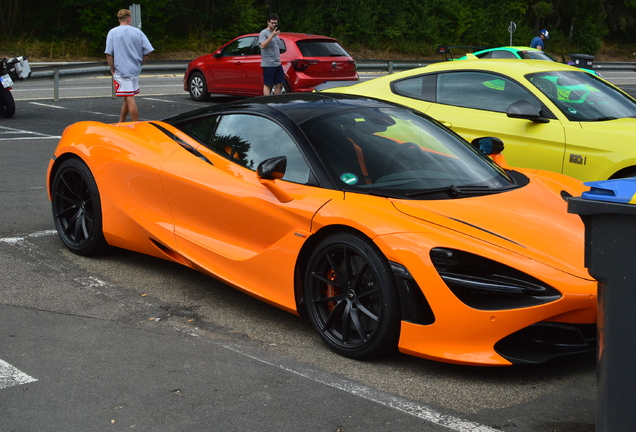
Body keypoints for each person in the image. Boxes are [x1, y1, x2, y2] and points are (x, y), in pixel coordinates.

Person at [105, 9, 154, 122]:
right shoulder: (138, 32)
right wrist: (140, 63)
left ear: (119, 19)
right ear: (128, 19)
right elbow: (148, 51)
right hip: (135, 69)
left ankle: (135, 123)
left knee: (129, 97)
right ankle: (121, 122)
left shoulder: (113, 32)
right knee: (127, 97)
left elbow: (109, 54)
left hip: (121, 70)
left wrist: (112, 70)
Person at [259, 13, 284, 95]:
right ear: (268, 22)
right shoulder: (264, 33)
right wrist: (271, 36)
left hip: (277, 62)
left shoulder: (276, 33)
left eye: (275, 23)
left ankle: (275, 101)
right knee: (268, 84)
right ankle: (267, 102)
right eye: (272, 23)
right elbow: (262, 46)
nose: (274, 25)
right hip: (268, 63)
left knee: (280, 83)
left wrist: (274, 34)